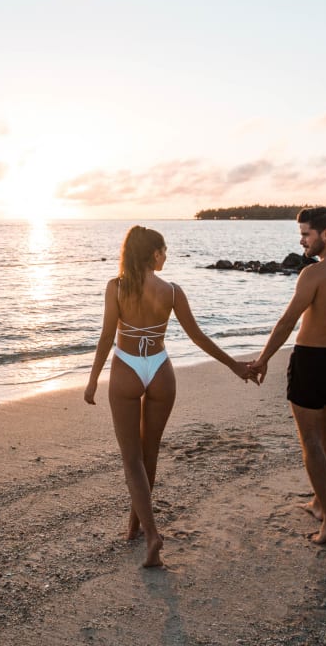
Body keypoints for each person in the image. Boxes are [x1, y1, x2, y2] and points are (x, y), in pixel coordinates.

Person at [85, 225, 254, 567]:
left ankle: (150, 536)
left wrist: (91, 381)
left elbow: (106, 338)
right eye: (164, 250)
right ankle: (135, 527)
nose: (166, 256)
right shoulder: (172, 291)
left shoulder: (116, 288)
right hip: (160, 369)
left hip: (127, 369)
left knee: (132, 460)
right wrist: (234, 365)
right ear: (153, 254)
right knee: (150, 454)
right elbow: (199, 338)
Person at [247, 207, 326, 544]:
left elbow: (288, 322)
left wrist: (262, 359)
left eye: (306, 234)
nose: (302, 241)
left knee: (310, 442)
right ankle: (320, 502)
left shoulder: (314, 274)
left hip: (312, 359)